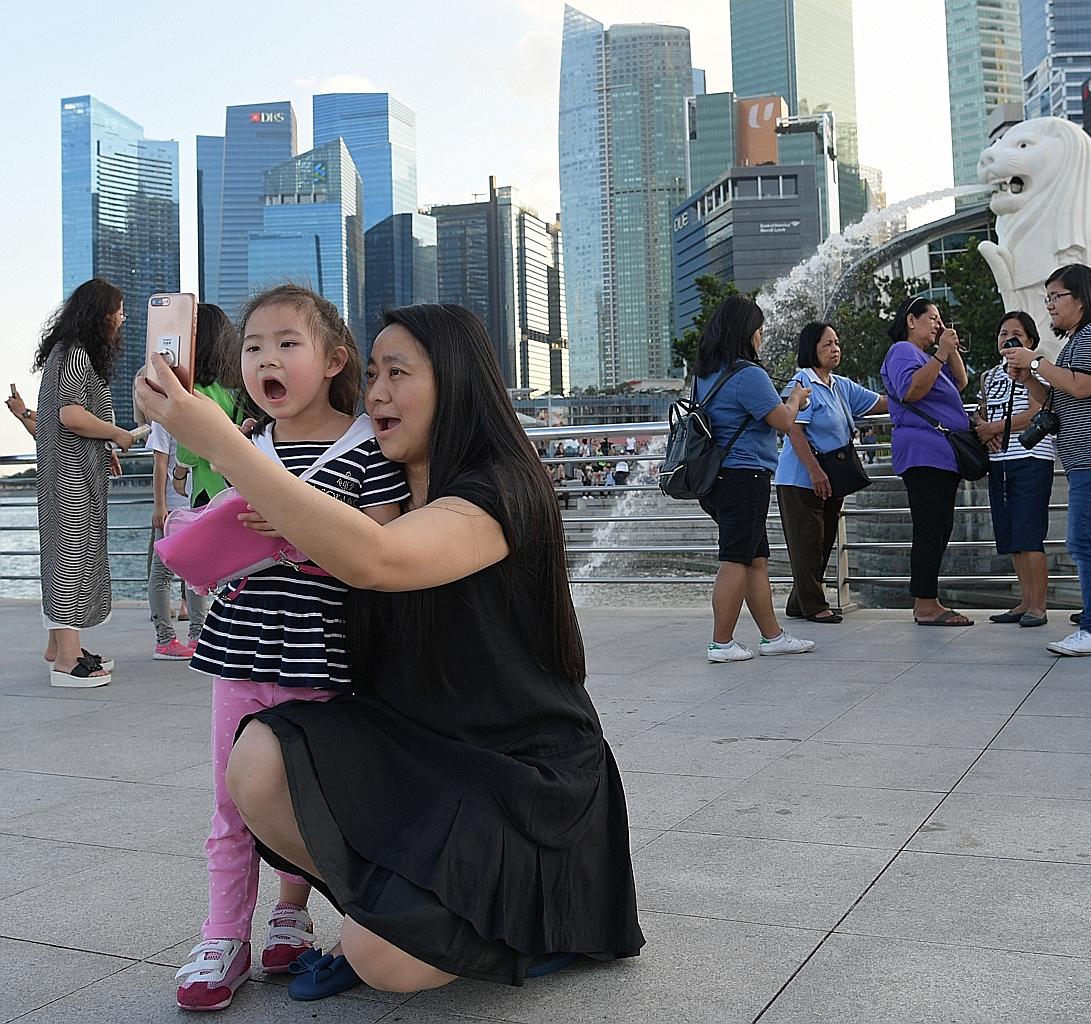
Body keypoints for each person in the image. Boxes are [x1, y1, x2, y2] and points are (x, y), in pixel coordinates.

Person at [139, 301, 645, 997]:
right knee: (256, 761)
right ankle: (404, 906)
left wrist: (217, 440)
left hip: (519, 777)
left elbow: (377, 559)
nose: (376, 392)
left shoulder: (501, 490)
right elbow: (307, 515)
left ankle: (523, 925)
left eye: (398, 373)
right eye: (371, 372)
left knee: (385, 960)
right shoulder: (369, 476)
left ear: (457, 383)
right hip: (419, 751)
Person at [168, 285, 409, 1011]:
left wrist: (306, 533)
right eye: (252, 347)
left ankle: (291, 911)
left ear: (335, 359)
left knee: (307, 794)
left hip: (324, 651)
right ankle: (221, 935)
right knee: (230, 798)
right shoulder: (245, 445)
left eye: (286, 344)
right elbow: (217, 522)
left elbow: (386, 553)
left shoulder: (368, 447)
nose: (265, 358)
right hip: (240, 645)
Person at [1004, 265, 1091, 656]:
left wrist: (1036, 361)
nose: (1048, 304)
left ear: (1080, 298)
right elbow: (1059, 399)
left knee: (1084, 542)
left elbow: (1083, 387)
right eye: (1047, 297)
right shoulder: (1079, 340)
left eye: (1055, 297)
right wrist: (1029, 379)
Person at [691, 295, 816, 662]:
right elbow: (783, 420)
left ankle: (772, 636)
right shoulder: (748, 374)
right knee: (735, 559)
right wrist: (796, 398)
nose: (762, 335)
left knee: (755, 558)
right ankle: (721, 643)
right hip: (745, 476)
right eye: (759, 329)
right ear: (746, 332)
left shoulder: (705, 373)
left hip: (719, 478)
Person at [34, 278, 135, 687]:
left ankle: (60, 647)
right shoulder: (76, 354)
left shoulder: (65, 351)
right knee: (72, 558)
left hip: (66, 470)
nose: (122, 317)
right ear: (100, 313)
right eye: (119, 310)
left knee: (64, 553)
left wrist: (103, 446)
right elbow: (71, 415)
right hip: (70, 477)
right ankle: (66, 661)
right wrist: (116, 434)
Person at [774, 321, 887, 625]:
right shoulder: (802, 383)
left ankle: (800, 602)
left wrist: (919, 390)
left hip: (831, 476)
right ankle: (813, 605)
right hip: (801, 477)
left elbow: (879, 403)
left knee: (822, 541)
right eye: (827, 344)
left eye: (837, 343)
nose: (835, 349)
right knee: (807, 541)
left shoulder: (840, 384)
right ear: (811, 348)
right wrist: (814, 471)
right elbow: (794, 431)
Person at [882, 297, 973, 626]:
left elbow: (961, 383)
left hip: (941, 454)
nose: (938, 323)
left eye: (940, 318)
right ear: (911, 320)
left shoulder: (928, 355)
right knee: (929, 527)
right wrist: (939, 353)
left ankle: (929, 599)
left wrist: (950, 348)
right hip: (923, 452)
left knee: (939, 527)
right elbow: (911, 391)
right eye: (932, 318)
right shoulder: (903, 352)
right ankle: (925, 604)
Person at [975, 311, 1054, 627]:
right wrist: (983, 428)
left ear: (1030, 340)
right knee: (1012, 536)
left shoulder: (1038, 370)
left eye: (1016, 333)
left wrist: (993, 427)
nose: (1008, 338)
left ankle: (1039, 606)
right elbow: (980, 412)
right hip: (999, 462)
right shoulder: (990, 375)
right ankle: (1025, 601)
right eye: (1002, 332)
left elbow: (1039, 411)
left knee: (1030, 534)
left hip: (1032, 458)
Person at [174, 304, 248, 508]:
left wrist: (179, 473)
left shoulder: (194, 388)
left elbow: (190, 439)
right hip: (244, 483)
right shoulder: (241, 382)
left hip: (209, 486)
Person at [147, 411, 202, 660]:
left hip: (197, 501)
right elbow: (160, 461)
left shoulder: (195, 409)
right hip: (172, 506)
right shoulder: (163, 415)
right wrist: (159, 504)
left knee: (198, 571)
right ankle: (165, 639)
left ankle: (198, 635)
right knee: (162, 572)